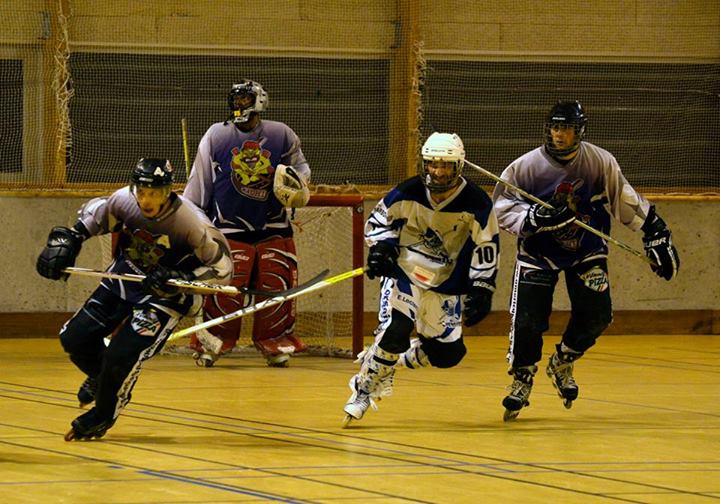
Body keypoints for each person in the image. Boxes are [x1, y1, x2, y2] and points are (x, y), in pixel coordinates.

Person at [493, 100, 680, 421]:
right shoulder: (524, 167)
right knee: (527, 322)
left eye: (566, 128)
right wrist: (534, 216)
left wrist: (654, 229)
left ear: (579, 131)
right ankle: (522, 378)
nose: (559, 135)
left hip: (586, 250)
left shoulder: (598, 161)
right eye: (555, 127)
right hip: (538, 254)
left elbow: (624, 197)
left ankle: (563, 360)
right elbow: (501, 207)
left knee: (597, 315)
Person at [36, 158, 233, 440]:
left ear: (168, 191)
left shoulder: (192, 222)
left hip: (164, 298)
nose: (146, 199)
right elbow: (95, 215)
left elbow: (223, 269)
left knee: (120, 355)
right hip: (123, 282)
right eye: (141, 191)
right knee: (74, 339)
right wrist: (69, 240)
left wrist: (181, 278)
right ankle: (102, 379)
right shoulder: (124, 202)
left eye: (154, 193)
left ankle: (103, 413)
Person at [342, 132, 500, 426]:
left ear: (458, 167)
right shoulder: (407, 192)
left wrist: (482, 286)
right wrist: (382, 249)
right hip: (406, 270)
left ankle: (389, 359)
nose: (438, 172)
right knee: (396, 329)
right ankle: (364, 389)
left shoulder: (476, 203)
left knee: (449, 355)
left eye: (446, 166)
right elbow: (378, 223)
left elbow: (486, 245)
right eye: (433, 164)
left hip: (445, 281)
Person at [184, 79, 311, 368]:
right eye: (236, 100)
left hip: (274, 228)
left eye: (245, 100)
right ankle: (212, 342)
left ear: (259, 102)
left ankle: (274, 342)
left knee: (275, 286)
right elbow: (200, 180)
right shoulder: (217, 134)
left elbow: (301, 168)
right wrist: (194, 221)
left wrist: (296, 181)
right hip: (229, 229)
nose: (239, 105)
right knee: (224, 291)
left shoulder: (281, 133)